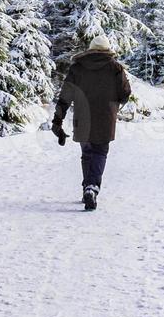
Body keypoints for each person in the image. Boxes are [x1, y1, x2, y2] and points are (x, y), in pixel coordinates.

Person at [51, 33, 132, 211]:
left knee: (87, 153)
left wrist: (58, 120)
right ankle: (92, 187)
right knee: (100, 153)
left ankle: (87, 188)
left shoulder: (78, 68)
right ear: (108, 51)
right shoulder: (116, 68)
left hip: (82, 117)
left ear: (90, 50)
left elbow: (65, 96)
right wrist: (115, 104)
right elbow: (125, 92)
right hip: (105, 118)